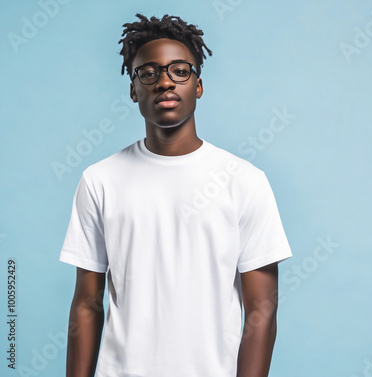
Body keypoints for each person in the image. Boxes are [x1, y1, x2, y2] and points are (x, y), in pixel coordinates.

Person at [60, 13, 292, 377]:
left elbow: (262, 309)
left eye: (180, 70)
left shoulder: (245, 181)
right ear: (134, 89)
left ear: (198, 85)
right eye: (149, 73)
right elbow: (87, 304)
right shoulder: (99, 180)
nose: (165, 81)